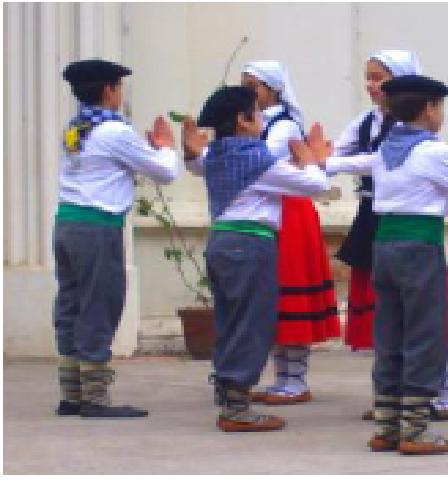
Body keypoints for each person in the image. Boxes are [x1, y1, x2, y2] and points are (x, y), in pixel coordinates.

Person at [324, 74, 448, 454]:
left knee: (388, 331)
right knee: (425, 333)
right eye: (439, 107)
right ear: (429, 109)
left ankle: (388, 423)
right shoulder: (434, 152)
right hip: (419, 244)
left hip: (383, 246)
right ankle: (416, 428)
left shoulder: (387, 149)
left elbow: (354, 164)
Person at [183, 85, 330, 432]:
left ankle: (228, 389)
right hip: (251, 243)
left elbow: (197, 165)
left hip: (221, 240)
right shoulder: (256, 158)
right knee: (252, 324)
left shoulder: (218, 154)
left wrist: (190, 155)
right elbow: (314, 186)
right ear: (243, 120)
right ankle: (236, 407)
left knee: (231, 320)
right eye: (256, 112)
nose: (262, 118)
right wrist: (312, 161)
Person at [333, 50, 448, 422]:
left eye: (380, 78)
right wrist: (321, 161)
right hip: (377, 219)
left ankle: (438, 393)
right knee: (391, 316)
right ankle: (397, 408)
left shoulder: (411, 136)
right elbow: (340, 154)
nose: (372, 85)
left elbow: (353, 161)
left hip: (405, 225)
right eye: (370, 77)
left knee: (420, 317)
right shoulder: (367, 124)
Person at [56, 58, 179, 418]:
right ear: (109, 90)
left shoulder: (75, 128)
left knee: (70, 305)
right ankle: (95, 396)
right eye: (119, 87)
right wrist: (165, 145)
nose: (121, 95)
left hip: (67, 221)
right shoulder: (114, 132)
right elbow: (165, 172)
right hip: (97, 226)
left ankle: (71, 391)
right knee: (100, 304)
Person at [241, 61, 340, 405]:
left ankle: (294, 378)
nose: (248, 92)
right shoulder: (255, 124)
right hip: (270, 209)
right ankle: (281, 375)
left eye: (254, 86)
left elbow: (261, 162)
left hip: (291, 213)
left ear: (273, 89)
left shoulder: (283, 127)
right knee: (271, 296)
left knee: (290, 292)